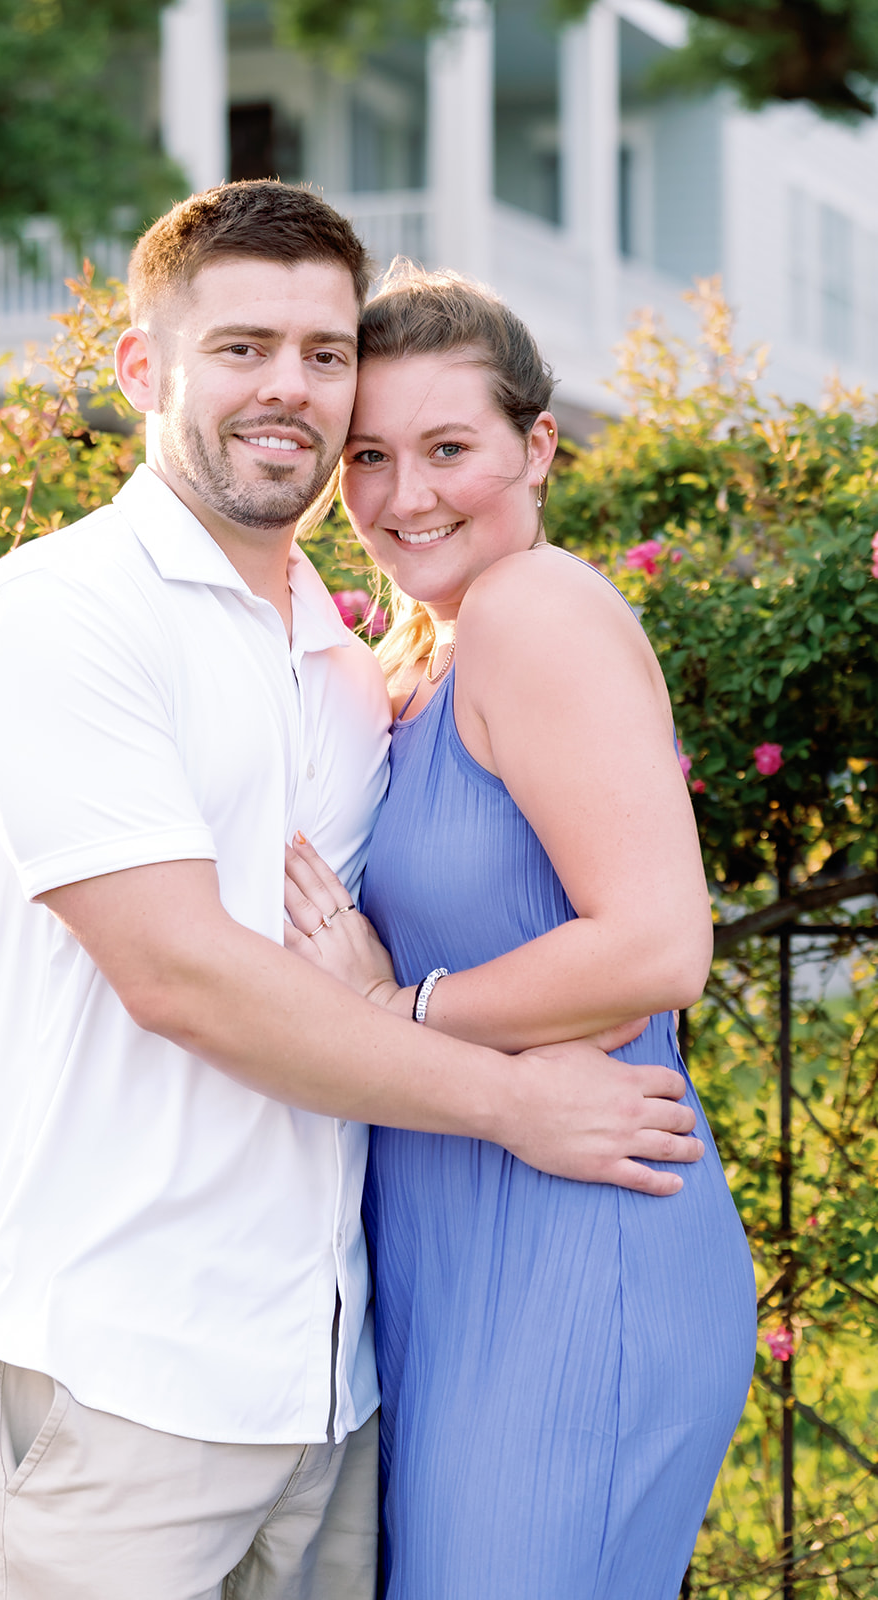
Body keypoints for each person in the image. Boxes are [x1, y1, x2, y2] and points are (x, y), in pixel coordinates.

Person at [0, 184, 705, 1600]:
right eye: (240, 348)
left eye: (324, 352)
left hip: (332, 1384)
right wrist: (510, 1096)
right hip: (124, 1375)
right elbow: (180, 974)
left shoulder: (348, 662)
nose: (290, 387)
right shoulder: (67, 611)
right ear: (140, 368)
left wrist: (408, 1007)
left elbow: (608, 929)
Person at [284, 265, 757, 1600]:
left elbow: (659, 946)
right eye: (368, 455)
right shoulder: (408, 657)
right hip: (445, 1246)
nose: (404, 494)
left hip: (576, 1240)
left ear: (537, 445)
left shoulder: (534, 610)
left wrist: (394, 1019)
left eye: (449, 448)